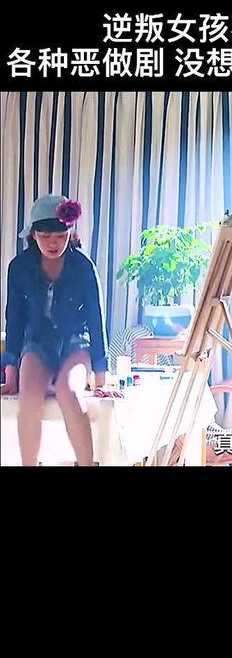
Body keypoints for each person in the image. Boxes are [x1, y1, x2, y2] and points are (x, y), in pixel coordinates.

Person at [1, 195, 109, 466]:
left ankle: (86, 464)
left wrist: (101, 376)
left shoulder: (83, 266)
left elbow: (96, 318)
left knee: (68, 391)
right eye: (45, 236)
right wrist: (10, 371)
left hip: (76, 343)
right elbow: (14, 319)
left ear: (70, 233)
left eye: (60, 236)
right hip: (37, 343)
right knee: (29, 396)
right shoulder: (20, 267)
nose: (53, 243)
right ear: (33, 235)